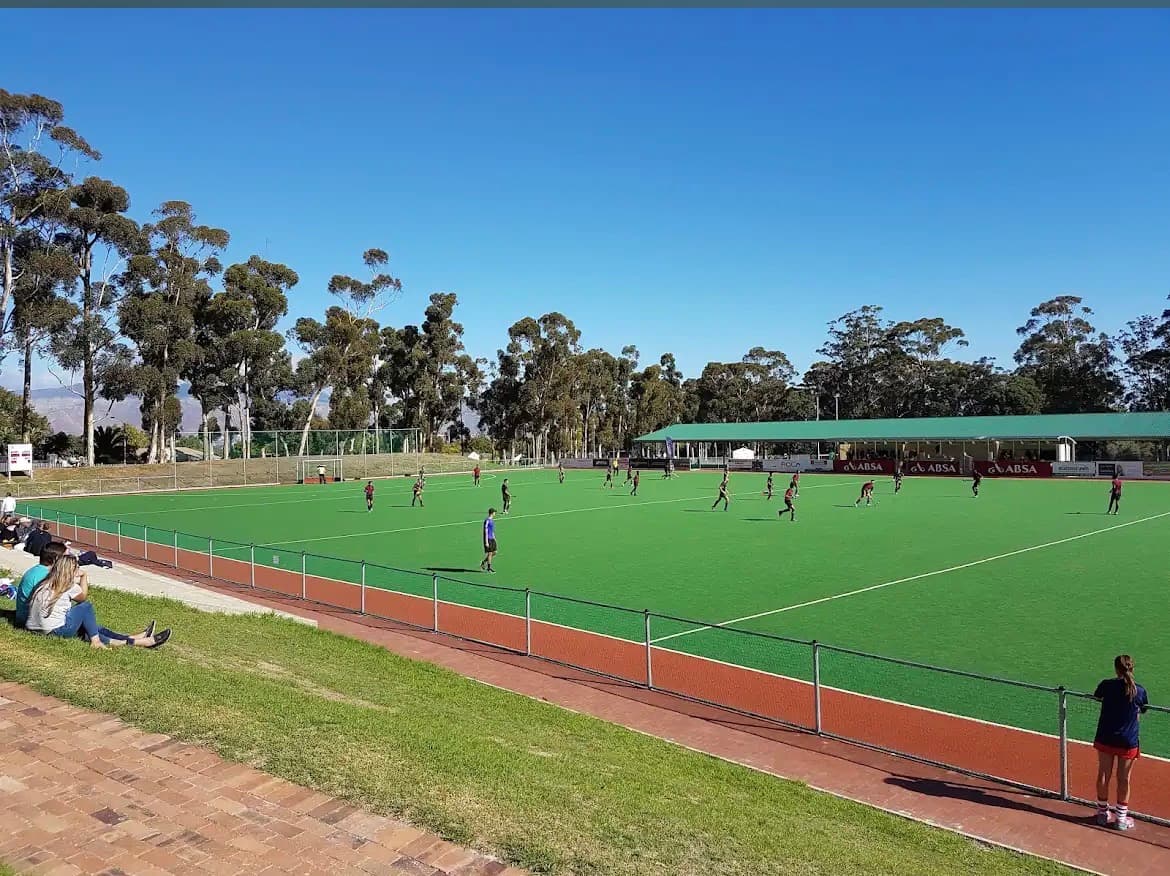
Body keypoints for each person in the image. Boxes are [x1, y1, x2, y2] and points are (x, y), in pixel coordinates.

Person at [25, 555, 168, 650]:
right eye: (76, 567)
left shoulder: (44, 583)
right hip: (52, 631)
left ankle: (133, 639)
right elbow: (83, 598)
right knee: (85, 608)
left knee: (90, 627)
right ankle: (96, 642)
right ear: (71, 570)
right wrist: (84, 576)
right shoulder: (67, 586)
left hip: (34, 629)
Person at [1093, 655, 1149, 830]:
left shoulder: (1107, 685)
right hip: (1128, 740)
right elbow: (1144, 708)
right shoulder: (1139, 690)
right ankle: (1121, 819)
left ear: (1116, 669)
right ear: (1132, 668)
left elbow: (1097, 695)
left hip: (1106, 736)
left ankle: (1102, 813)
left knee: (1104, 774)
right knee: (1124, 778)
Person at [14, 540, 68, 628]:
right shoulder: (45, 576)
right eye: (66, 557)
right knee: (83, 608)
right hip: (31, 620)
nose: (69, 560)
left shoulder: (36, 570)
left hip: (25, 616)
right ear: (56, 559)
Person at [480, 508, 498, 573]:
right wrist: (486, 541)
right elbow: (486, 531)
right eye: (494, 512)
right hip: (488, 539)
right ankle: (489, 568)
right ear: (492, 513)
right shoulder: (487, 520)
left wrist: (494, 538)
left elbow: (492, 531)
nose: (495, 514)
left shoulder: (492, 520)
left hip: (492, 539)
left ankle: (483, 562)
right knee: (490, 553)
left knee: (495, 552)